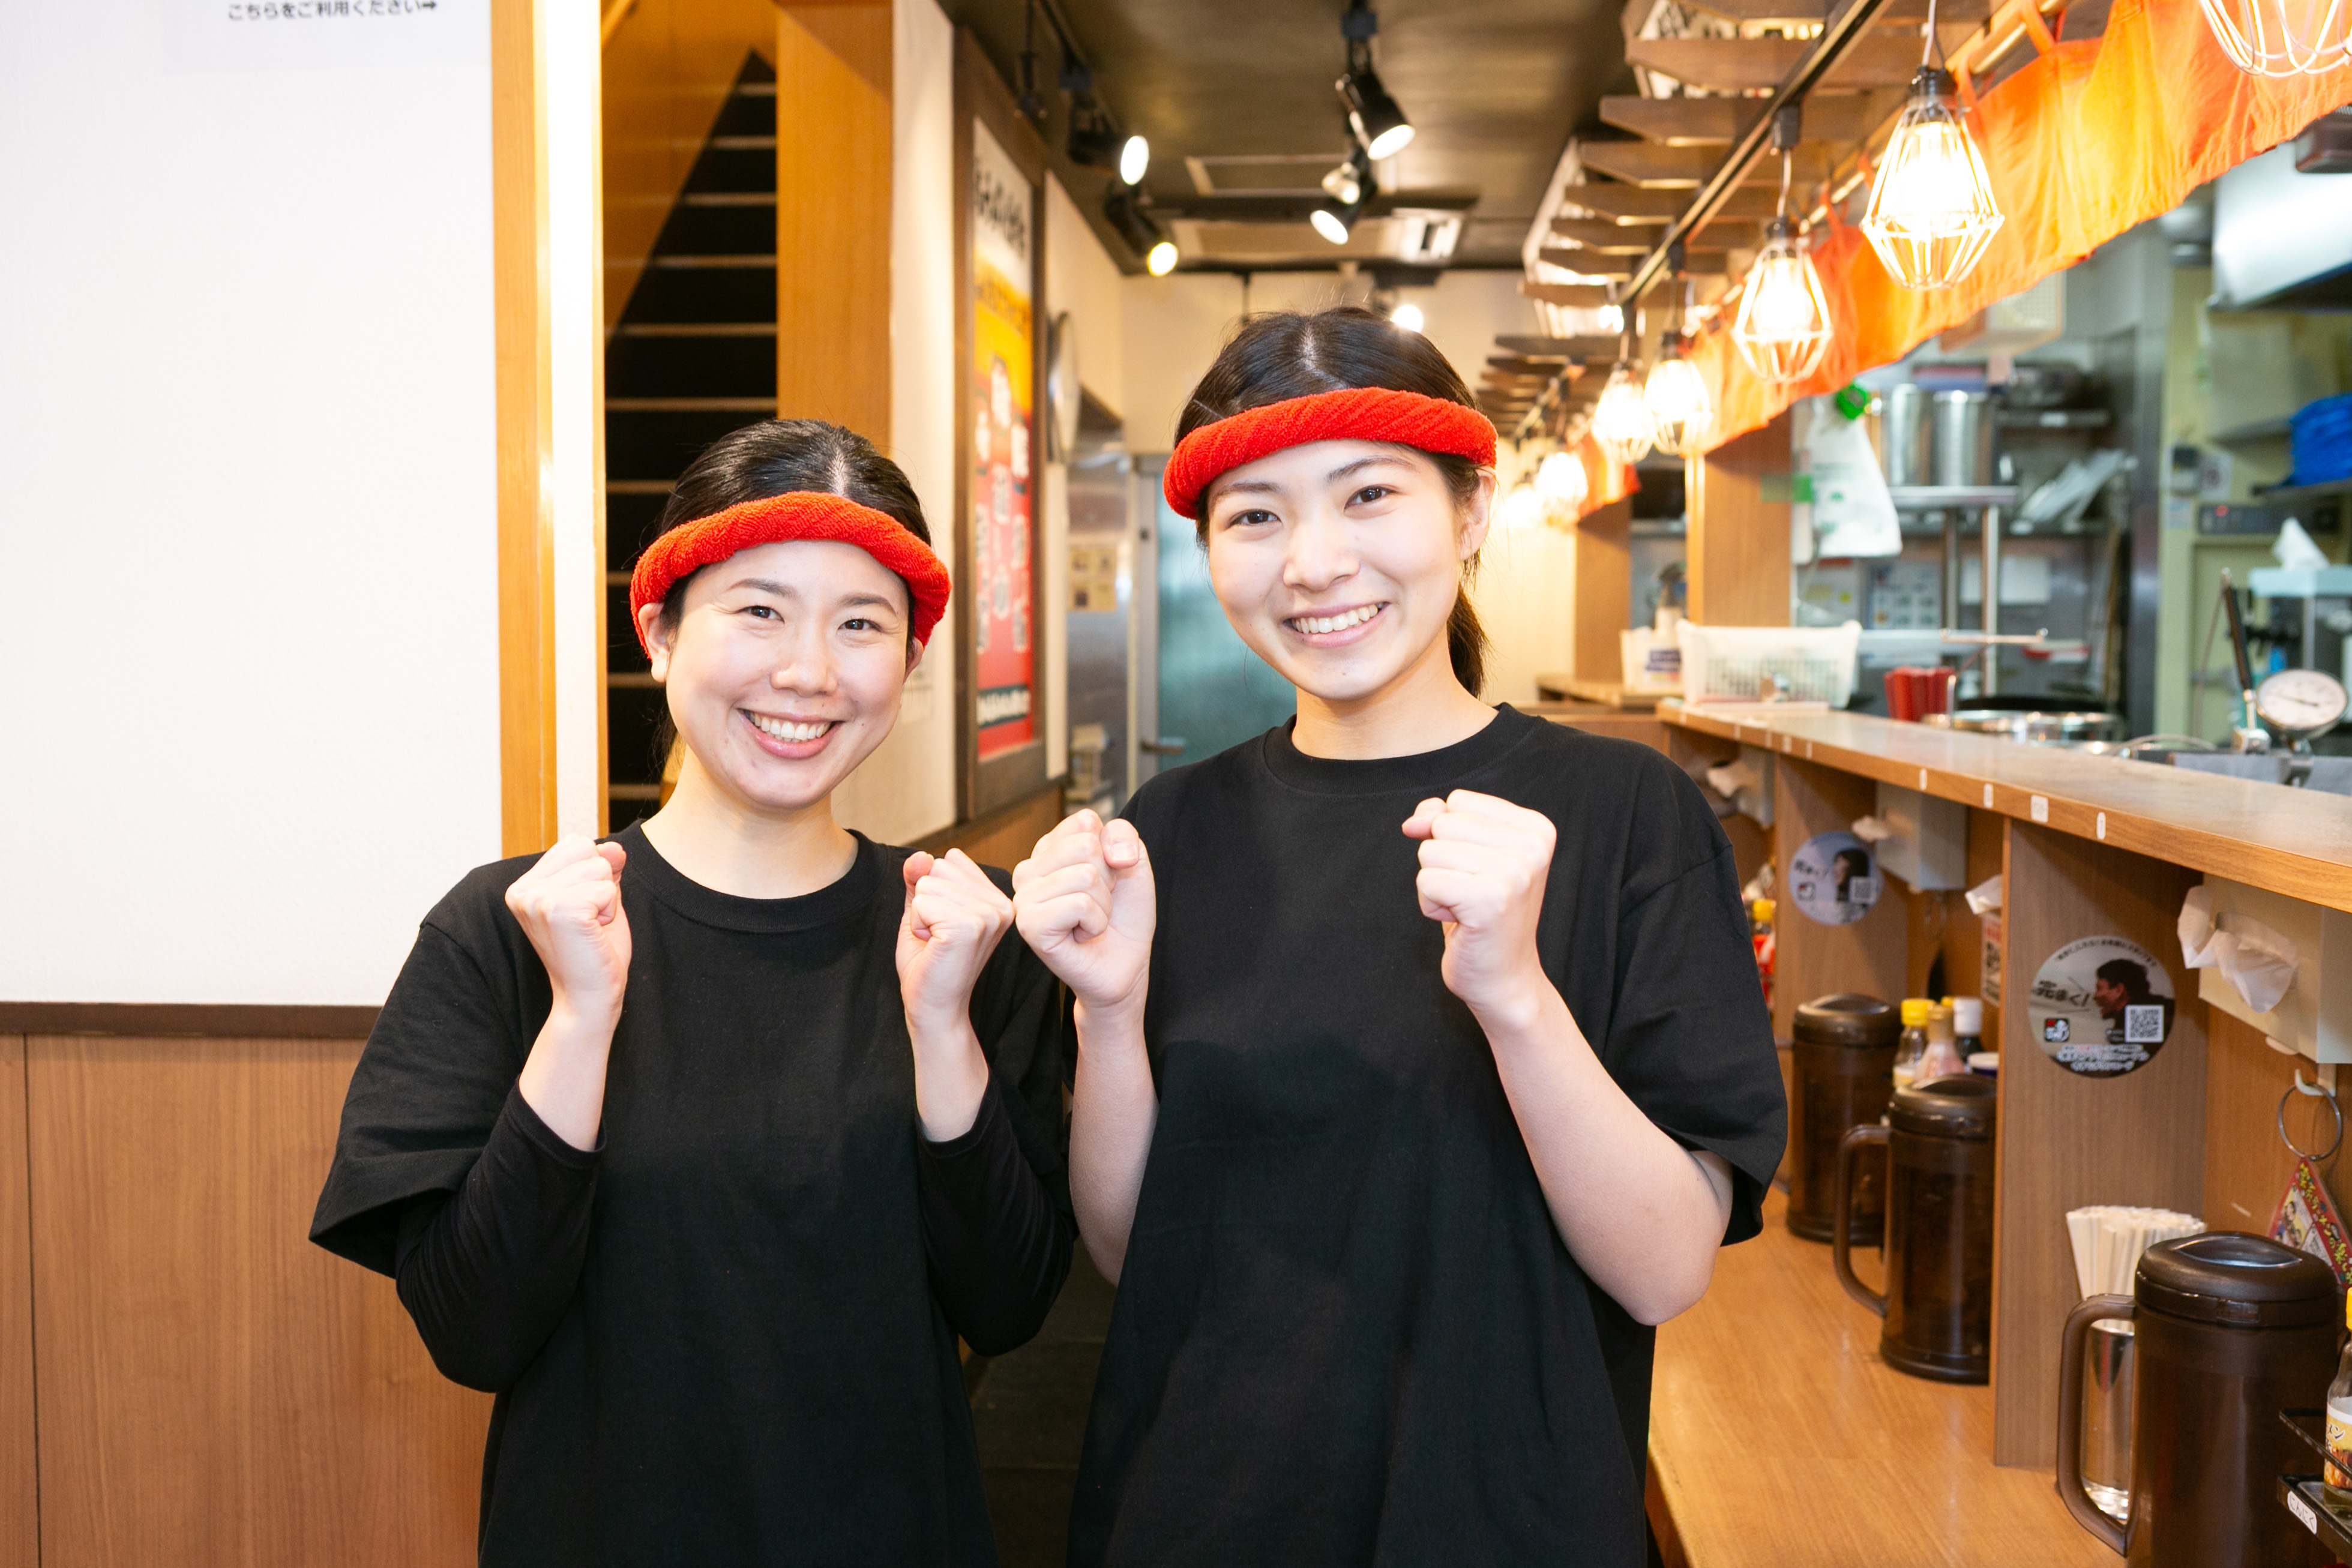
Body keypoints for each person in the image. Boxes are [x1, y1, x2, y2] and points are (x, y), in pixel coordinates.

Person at [1012, 308, 1786, 1566]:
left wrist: (1514, 992)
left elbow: (1664, 1269)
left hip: (1504, 1518)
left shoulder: (1624, 814)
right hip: (1201, 1505)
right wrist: (1106, 1009)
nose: (1313, 562)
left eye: (1368, 494)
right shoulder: (1169, 828)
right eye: (1255, 516)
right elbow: (1128, 1248)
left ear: (1471, 511)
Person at [310, 419, 1072, 1566]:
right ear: (659, 633)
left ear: (909, 663)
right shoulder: (508, 929)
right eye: (759, 610)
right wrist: (580, 1020)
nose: (808, 671)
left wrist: (940, 1025)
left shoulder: (967, 935)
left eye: (861, 624)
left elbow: (1008, 1308)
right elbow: (475, 1330)